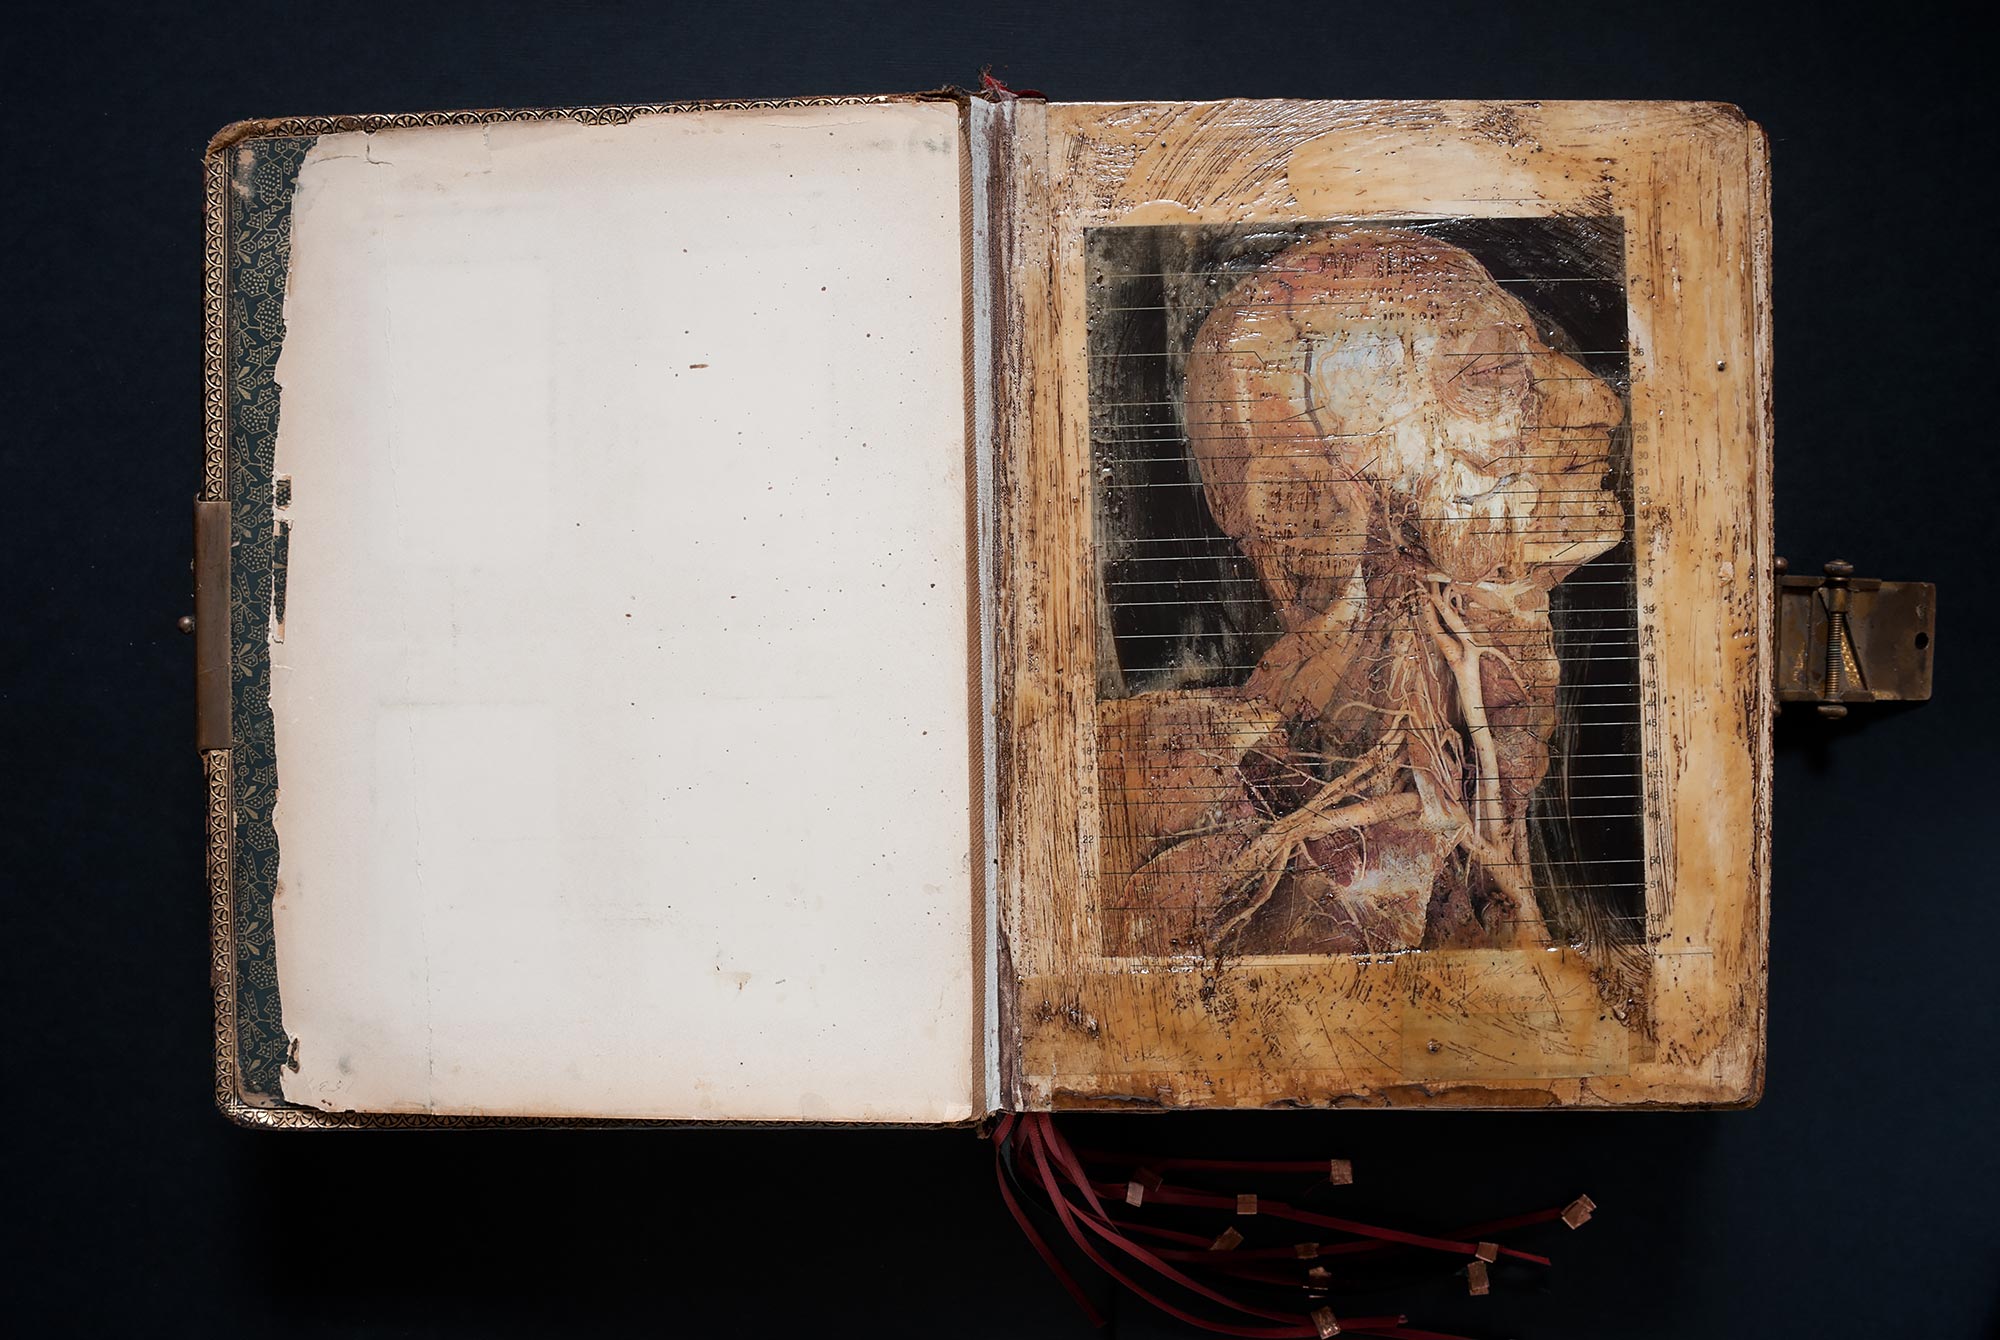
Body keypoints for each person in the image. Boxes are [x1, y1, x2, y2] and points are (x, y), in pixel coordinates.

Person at [1097, 227, 1626, 957]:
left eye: (1536, 355)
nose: (1597, 403)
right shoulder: (1173, 799)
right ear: (1304, 503)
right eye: (1490, 375)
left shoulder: (1477, 733)